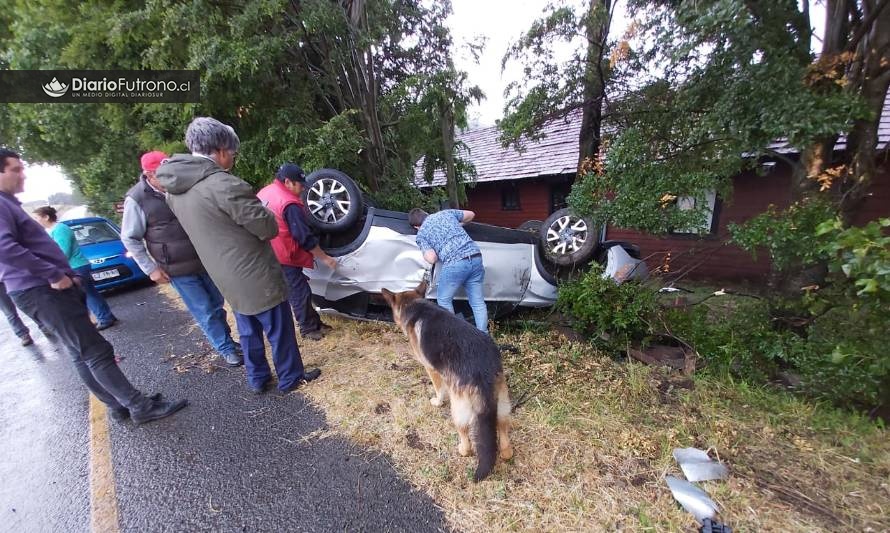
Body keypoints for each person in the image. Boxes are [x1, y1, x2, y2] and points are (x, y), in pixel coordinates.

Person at [0, 147, 187, 424]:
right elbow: (5, 248)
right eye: (16, 169)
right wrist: (52, 274)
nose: (23, 174)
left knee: (80, 353)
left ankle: (118, 403)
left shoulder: (8, 204)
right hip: (40, 290)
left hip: (38, 290)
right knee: (95, 351)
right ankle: (138, 406)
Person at [156, 117, 321, 394]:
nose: (233, 158)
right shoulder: (224, 185)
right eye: (232, 152)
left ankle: (257, 378)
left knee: (247, 328)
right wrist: (266, 210)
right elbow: (267, 228)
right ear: (220, 150)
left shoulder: (175, 191)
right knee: (278, 328)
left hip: (221, 271)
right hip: (253, 271)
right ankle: (290, 377)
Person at [120, 151, 242, 367]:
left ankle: (228, 341)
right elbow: (130, 238)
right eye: (162, 173)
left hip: (204, 258)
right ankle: (225, 348)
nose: (169, 177)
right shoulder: (137, 199)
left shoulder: (182, 186)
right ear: (149, 175)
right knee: (203, 309)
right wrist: (151, 269)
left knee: (216, 304)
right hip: (176, 267)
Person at [256, 163, 337, 341]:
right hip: (284, 255)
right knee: (299, 292)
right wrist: (325, 258)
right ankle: (308, 329)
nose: (302, 190)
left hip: (269, 250)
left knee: (299, 289)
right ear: (288, 182)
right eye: (300, 185)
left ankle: (315, 322)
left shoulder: (265, 192)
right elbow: (304, 237)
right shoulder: (289, 203)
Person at [33, 206, 118, 330]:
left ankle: (104, 318)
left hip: (76, 266)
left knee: (86, 294)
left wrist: (52, 266)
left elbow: (63, 251)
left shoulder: (60, 229)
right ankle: (106, 316)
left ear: (46, 217)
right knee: (90, 292)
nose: (35, 220)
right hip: (75, 265)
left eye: (36, 217)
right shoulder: (52, 231)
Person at [408, 207, 488, 333]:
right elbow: (471, 214)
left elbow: (432, 258)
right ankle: (484, 335)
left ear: (416, 226)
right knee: (477, 302)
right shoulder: (445, 214)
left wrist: (425, 250)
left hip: (455, 262)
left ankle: (454, 335)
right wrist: (456, 225)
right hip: (476, 256)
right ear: (426, 214)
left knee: (444, 300)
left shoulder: (422, 233)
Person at [1, 280, 35, 345]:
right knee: (9, 312)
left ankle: (43, 325)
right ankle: (23, 335)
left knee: (25, 304)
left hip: (9, 277)